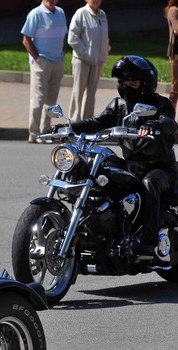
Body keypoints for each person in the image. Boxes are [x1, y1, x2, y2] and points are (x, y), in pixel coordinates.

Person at [50, 56, 177, 257]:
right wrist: (69, 128)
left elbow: (169, 122)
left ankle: (148, 243)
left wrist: (153, 125)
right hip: (132, 165)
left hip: (160, 169)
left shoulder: (159, 103)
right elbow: (97, 122)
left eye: (133, 82)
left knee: (149, 183)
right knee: (101, 173)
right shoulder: (119, 105)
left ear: (146, 84)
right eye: (124, 82)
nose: (128, 86)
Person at [22, 0, 67, 143]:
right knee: (38, 99)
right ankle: (34, 133)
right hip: (41, 61)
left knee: (51, 100)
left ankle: (45, 132)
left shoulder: (60, 12)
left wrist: (62, 53)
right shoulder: (36, 14)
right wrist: (37, 58)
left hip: (57, 60)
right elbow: (26, 39)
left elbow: (63, 36)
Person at [67, 0, 109, 120]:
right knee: (78, 92)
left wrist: (105, 51)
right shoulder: (81, 13)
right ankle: (74, 123)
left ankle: (87, 124)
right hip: (82, 60)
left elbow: (105, 36)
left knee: (91, 94)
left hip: (98, 61)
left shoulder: (102, 15)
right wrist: (85, 54)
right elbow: (72, 37)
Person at [166, 0, 178, 108]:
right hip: (176, 54)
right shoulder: (173, 10)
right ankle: (170, 114)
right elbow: (177, 29)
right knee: (175, 87)